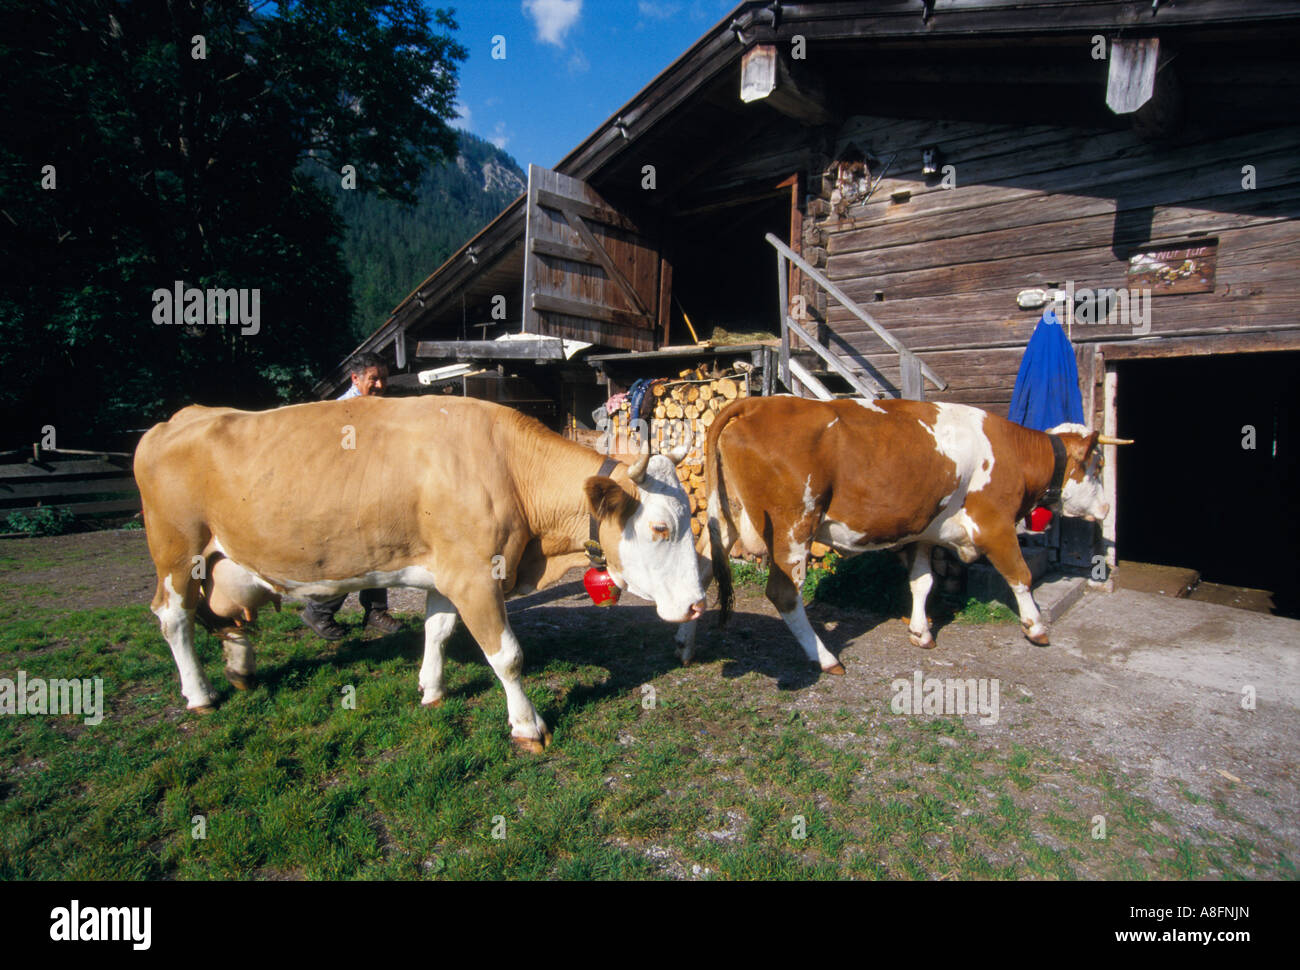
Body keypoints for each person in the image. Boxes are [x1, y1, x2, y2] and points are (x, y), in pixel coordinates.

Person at [300, 353, 403, 640]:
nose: (381, 384)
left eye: (384, 377)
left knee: (379, 549)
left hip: (371, 490)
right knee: (351, 556)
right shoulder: (341, 412)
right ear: (355, 379)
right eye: (374, 378)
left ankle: (375, 611)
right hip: (343, 495)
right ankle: (318, 612)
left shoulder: (375, 406)